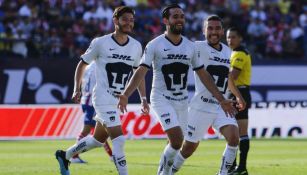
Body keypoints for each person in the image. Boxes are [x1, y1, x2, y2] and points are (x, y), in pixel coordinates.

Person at [117, 5, 237, 175]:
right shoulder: (155, 44)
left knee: (178, 144)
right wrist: (126, 94)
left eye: (181, 16)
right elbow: (141, 70)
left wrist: (221, 99)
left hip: (182, 101)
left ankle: (164, 171)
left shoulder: (189, 46)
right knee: (176, 140)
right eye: (175, 17)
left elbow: (204, 75)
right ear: (166, 21)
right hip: (161, 98)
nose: (179, 19)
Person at [55, 6, 149, 175]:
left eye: (131, 20)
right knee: (119, 140)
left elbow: (138, 74)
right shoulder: (100, 42)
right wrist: (77, 89)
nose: (129, 23)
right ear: (115, 21)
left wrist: (143, 98)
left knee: (98, 140)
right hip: (102, 97)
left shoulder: (136, 46)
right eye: (125, 19)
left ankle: (65, 155)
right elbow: (82, 64)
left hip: (117, 100)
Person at [170, 15, 246, 175]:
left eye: (217, 28)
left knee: (234, 138)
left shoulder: (227, 51)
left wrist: (238, 96)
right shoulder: (197, 47)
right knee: (188, 149)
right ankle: (170, 171)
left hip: (221, 106)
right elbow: (177, 45)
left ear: (222, 31)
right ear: (204, 31)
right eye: (210, 28)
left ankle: (222, 173)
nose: (214, 32)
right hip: (201, 107)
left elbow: (228, 78)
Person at [70, 62, 113, 164]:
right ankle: (74, 155)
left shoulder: (88, 66)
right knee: (87, 130)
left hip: (86, 99)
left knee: (99, 130)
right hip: (93, 101)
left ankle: (111, 155)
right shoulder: (100, 65)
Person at [226, 27, 252, 175]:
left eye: (233, 37)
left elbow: (232, 77)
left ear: (240, 38)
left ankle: (237, 167)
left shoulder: (239, 54)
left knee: (236, 133)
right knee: (238, 133)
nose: (230, 40)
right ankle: (238, 167)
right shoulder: (235, 52)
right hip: (239, 92)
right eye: (228, 37)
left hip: (238, 93)